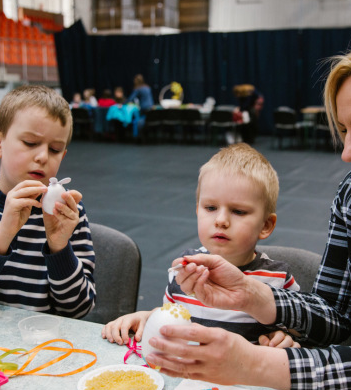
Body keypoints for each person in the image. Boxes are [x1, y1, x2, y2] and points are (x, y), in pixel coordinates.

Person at [142, 28, 351, 390]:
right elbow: (335, 317)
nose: (348, 152)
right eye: (344, 130)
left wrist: (254, 364)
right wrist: (252, 294)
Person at [102, 143, 300, 347]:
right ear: (198, 210)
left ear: (266, 225)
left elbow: (301, 328)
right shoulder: (184, 268)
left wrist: (286, 338)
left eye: (238, 211)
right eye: (211, 207)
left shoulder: (277, 279)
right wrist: (147, 318)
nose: (221, 220)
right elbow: (172, 315)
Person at [0, 85, 96, 317]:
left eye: (55, 149)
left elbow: (79, 310)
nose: (42, 157)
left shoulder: (69, 213)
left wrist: (59, 248)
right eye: (30, 143)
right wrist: (3, 234)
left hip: (42, 345)